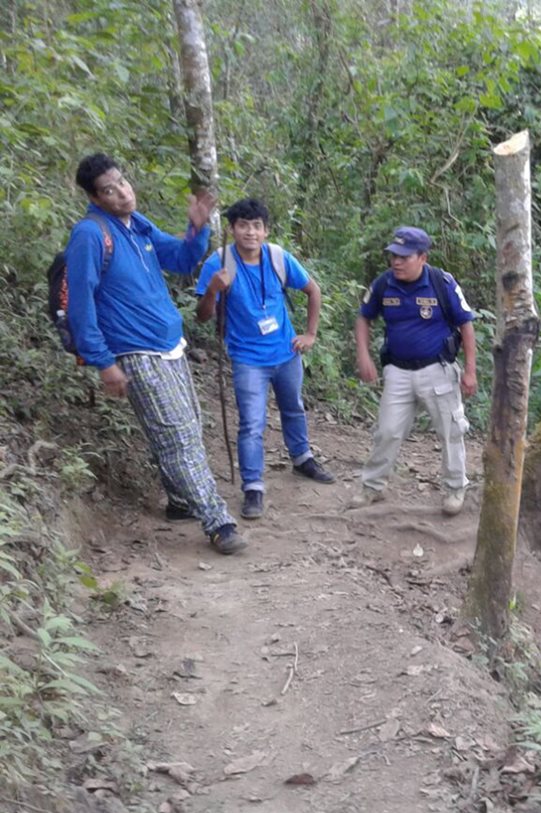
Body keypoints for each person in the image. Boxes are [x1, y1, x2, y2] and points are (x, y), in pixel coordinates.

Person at [64, 153, 247, 555]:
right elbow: (81, 307)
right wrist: (103, 362)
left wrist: (197, 227)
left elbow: (180, 258)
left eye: (122, 182)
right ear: (95, 198)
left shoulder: (138, 226)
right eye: (109, 190)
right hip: (135, 351)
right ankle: (217, 521)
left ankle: (180, 501)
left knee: (188, 426)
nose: (122, 193)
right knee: (178, 436)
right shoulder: (91, 235)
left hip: (169, 345)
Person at [195, 198, 335, 520]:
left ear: (266, 230)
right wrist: (213, 291)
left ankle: (302, 459)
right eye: (243, 225)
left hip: (286, 352)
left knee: (293, 407)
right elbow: (203, 317)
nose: (250, 232)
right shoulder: (219, 264)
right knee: (252, 423)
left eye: (256, 226)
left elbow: (313, 290)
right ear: (232, 229)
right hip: (247, 359)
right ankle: (253, 487)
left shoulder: (278, 258)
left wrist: (310, 334)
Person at [350, 226, 477, 516]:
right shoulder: (384, 284)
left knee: (451, 432)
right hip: (398, 371)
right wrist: (363, 356)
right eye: (394, 256)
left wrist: (470, 371)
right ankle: (372, 487)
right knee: (387, 431)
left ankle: (455, 488)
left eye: (404, 257)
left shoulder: (442, 283)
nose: (396, 262)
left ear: (422, 257)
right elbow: (363, 317)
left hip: (438, 370)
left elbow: (466, 326)